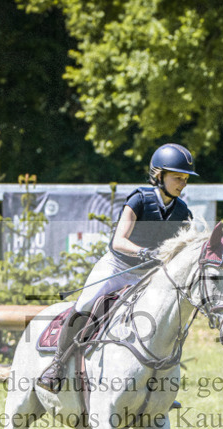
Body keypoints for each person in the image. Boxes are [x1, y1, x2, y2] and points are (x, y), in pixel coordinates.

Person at [37, 143, 198, 392]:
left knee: (167, 319)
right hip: (117, 267)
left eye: (186, 178)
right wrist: (145, 252)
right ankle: (57, 366)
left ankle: (158, 388)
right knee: (84, 306)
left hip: (147, 276)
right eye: (177, 177)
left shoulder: (182, 210)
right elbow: (119, 241)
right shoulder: (139, 199)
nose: (182, 182)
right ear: (159, 175)